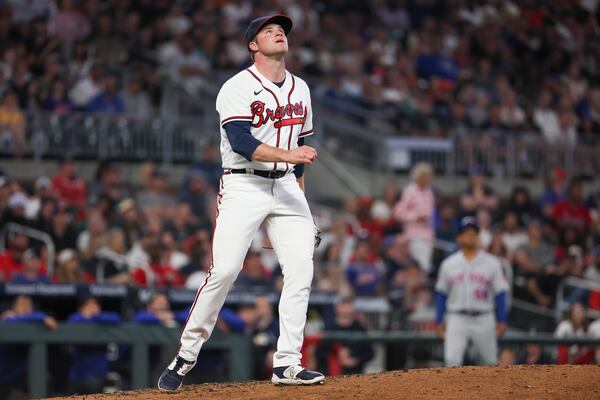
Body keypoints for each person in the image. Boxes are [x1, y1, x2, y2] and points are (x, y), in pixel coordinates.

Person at [158, 14, 324, 391]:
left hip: (285, 186)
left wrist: (301, 200)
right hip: (243, 185)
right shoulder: (236, 86)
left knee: (301, 271)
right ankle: (186, 354)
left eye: (281, 30)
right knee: (226, 270)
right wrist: (290, 155)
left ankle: (287, 364)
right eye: (268, 30)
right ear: (253, 45)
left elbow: (300, 154)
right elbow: (242, 143)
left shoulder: (301, 88)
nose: (278, 33)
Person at [435, 216, 509, 366]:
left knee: (490, 362)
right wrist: (438, 320)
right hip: (457, 317)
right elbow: (441, 294)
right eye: (466, 232)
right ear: (458, 237)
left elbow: (500, 293)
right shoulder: (448, 264)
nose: (470, 235)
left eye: (474, 232)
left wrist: (502, 319)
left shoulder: (492, 263)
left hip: (484, 317)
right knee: (452, 361)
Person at [67, 297, 120, 394]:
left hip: (97, 374)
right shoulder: (76, 319)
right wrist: (91, 318)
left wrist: (93, 316)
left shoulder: (103, 320)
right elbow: (73, 320)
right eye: (89, 306)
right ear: (81, 309)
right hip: (77, 375)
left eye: (95, 305)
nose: (92, 308)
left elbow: (115, 318)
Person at [393, 162, 435, 273]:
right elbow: (398, 212)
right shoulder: (410, 190)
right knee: (422, 265)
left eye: (429, 176)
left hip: (428, 234)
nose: (427, 179)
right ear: (418, 176)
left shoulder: (429, 192)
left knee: (426, 265)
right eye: (424, 176)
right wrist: (416, 217)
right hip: (414, 234)